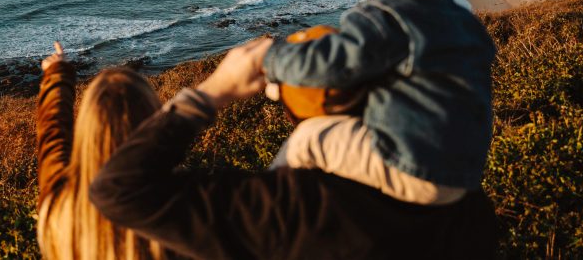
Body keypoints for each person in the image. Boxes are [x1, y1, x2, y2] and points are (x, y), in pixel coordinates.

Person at [88, 38, 497, 259]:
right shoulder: (461, 198)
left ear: (288, 108)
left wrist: (214, 91)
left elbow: (119, 189)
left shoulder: (284, 210)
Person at [263, 0, 497, 204]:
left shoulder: (386, 19)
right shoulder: (463, 21)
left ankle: (270, 210)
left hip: (415, 167)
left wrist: (272, 59)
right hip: (465, 172)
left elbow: (332, 65)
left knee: (309, 140)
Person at [36, 42, 166, 260]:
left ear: (86, 126)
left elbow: (52, 132)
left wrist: (57, 74)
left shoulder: (58, 203)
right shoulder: (175, 210)